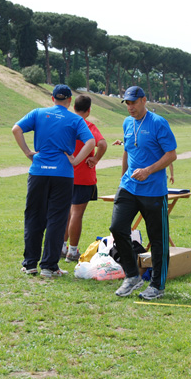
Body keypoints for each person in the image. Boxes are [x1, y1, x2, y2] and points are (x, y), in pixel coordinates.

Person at [12, 85, 95, 278]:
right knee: (57, 219)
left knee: (34, 216)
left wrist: (27, 152)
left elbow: (16, 129)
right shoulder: (75, 119)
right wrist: (75, 160)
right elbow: (90, 142)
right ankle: (49, 266)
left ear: (52, 99)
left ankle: (30, 264)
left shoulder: (38, 113)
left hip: (39, 172)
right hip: (63, 174)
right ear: (69, 101)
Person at [110, 86, 177, 300]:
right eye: (127, 103)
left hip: (154, 191)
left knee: (157, 240)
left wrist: (148, 170)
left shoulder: (158, 123)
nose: (130, 107)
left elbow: (171, 154)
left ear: (144, 100)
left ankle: (157, 285)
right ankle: (132, 275)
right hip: (129, 187)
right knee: (117, 228)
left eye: (133, 102)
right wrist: (122, 179)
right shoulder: (127, 123)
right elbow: (127, 150)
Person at [62, 95, 108, 262]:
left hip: (64, 175)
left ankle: (62, 246)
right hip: (83, 177)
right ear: (89, 110)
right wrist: (95, 159)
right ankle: (72, 251)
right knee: (76, 214)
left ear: (74, 107)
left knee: (65, 213)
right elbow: (102, 144)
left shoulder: (66, 123)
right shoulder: (87, 125)